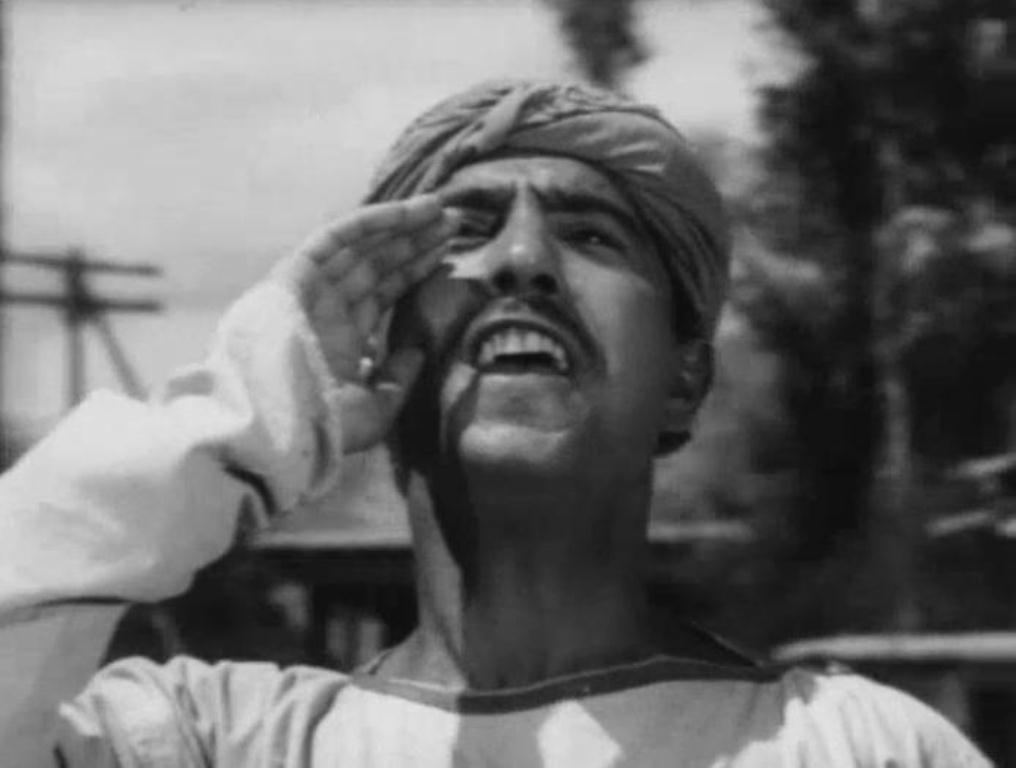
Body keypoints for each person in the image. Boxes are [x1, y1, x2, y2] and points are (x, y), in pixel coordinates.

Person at [0, 80, 990, 767]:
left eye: (590, 233)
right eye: (465, 230)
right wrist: (246, 411)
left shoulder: (856, 746)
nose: (522, 261)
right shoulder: (202, 741)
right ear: (375, 350)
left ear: (684, 377)